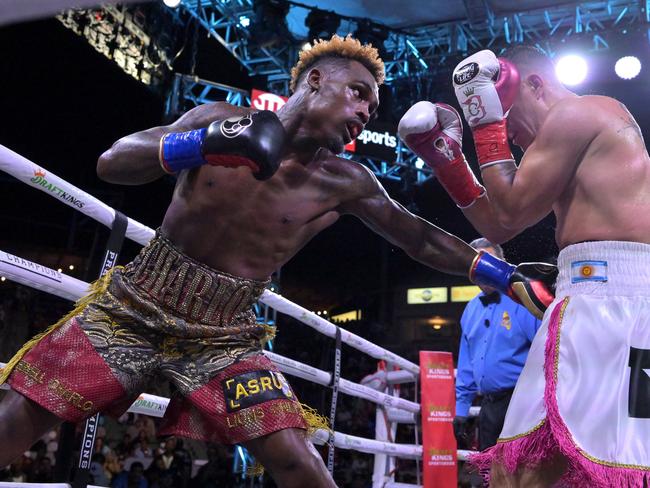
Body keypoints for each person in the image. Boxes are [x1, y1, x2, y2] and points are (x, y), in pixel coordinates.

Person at [0, 35, 554, 487]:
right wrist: (206, 143)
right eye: (358, 93)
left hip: (224, 337)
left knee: (295, 459)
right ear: (315, 81)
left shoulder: (346, 181)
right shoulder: (216, 115)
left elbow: (418, 239)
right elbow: (111, 163)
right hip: (132, 307)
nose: (364, 111)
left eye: (372, 106)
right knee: (20, 418)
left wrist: (506, 276)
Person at [400, 44, 650, 487]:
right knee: (523, 471)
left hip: (610, 300)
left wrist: (483, 119)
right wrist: (448, 160)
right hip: (593, 297)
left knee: (542, 472)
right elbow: (497, 223)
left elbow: (510, 213)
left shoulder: (583, 112)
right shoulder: (570, 137)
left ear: (533, 84)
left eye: (507, 116)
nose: (509, 135)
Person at [454, 238, 541, 454]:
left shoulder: (523, 300)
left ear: (502, 264)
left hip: (523, 403)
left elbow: (545, 351)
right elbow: (466, 363)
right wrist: (461, 410)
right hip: (489, 406)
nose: (485, 270)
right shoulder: (471, 310)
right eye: (479, 264)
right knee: (491, 475)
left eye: (490, 263)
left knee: (525, 474)